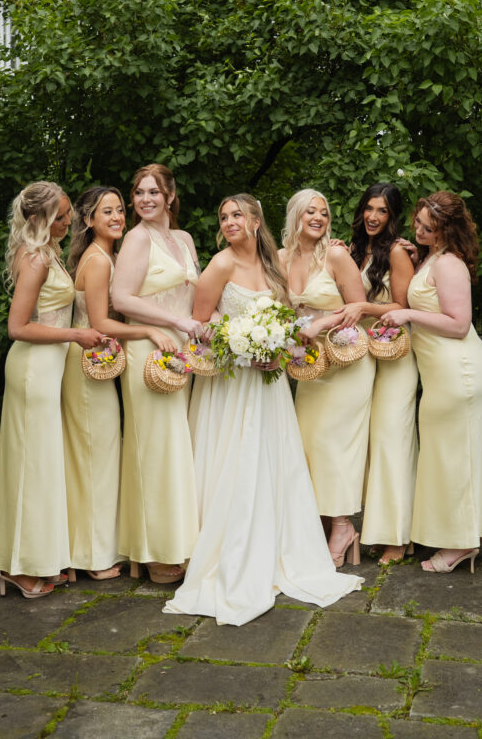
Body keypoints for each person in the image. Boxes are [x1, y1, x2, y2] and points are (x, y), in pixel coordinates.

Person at [165, 194, 363, 626]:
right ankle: (226, 551)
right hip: (232, 384)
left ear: (256, 221)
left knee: (272, 464)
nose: (230, 221)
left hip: (269, 384)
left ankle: (277, 546)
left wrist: (279, 347)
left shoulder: (273, 262)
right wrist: (242, 345)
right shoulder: (219, 265)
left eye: (238, 214)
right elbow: (203, 325)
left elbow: (289, 317)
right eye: (223, 217)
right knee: (233, 461)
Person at [380, 191, 482, 573]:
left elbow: (458, 323)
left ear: (445, 229)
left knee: (456, 458)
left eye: (426, 227)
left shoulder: (449, 263)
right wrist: (419, 258)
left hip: (460, 371)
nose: (417, 229)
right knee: (455, 455)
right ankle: (472, 534)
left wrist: (406, 315)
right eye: (417, 222)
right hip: (444, 374)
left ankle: (461, 544)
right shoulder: (435, 257)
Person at [0, 181, 104, 598]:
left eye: (69, 212)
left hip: (50, 367)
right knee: (31, 469)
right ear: (37, 219)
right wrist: (75, 333)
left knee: (42, 466)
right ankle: (18, 567)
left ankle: (40, 557)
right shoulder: (35, 259)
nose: (70, 220)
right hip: (34, 368)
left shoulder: (47, 254)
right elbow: (17, 326)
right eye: (61, 216)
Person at [61, 186, 176, 580]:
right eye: (105, 212)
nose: (116, 217)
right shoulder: (98, 262)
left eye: (118, 211)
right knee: (96, 455)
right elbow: (100, 324)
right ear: (89, 220)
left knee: (102, 453)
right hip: (86, 364)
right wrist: (148, 331)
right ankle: (93, 556)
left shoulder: (108, 255)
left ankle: (95, 545)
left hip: (98, 363)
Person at [111, 164, 202, 585]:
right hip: (149, 350)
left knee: (176, 447)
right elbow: (122, 298)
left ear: (170, 196)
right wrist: (174, 323)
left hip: (182, 351)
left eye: (153, 192)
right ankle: (152, 550)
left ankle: (176, 541)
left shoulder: (183, 239)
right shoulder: (135, 238)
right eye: (139, 192)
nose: (145, 199)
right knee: (154, 448)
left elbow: (196, 295)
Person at [280, 190, 375, 569]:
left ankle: (342, 526)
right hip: (310, 365)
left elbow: (359, 308)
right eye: (310, 212)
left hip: (347, 360)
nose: (318, 218)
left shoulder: (335, 255)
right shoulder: (280, 259)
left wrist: (321, 321)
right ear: (296, 215)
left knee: (332, 442)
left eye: (324, 212)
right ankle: (318, 522)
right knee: (308, 442)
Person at [341, 183, 419, 566]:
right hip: (364, 351)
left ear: (393, 216)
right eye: (369, 208)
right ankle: (378, 528)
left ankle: (397, 537)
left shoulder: (400, 253)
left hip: (395, 353)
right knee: (373, 441)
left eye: (383, 211)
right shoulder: (356, 250)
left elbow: (402, 305)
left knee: (392, 438)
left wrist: (362, 307)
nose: (373, 216)